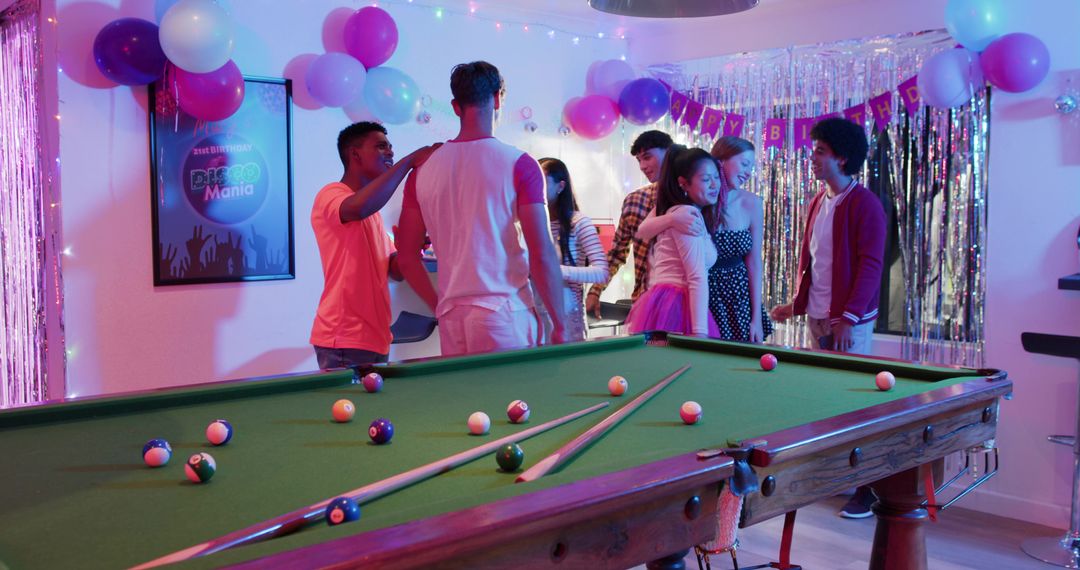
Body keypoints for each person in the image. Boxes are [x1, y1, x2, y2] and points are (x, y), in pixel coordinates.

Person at [396, 61, 567, 356]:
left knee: (467, 403)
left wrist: (439, 304)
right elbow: (541, 253)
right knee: (516, 402)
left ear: (455, 106)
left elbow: (407, 256)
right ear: (498, 98)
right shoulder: (520, 164)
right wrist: (560, 323)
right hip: (504, 312)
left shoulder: (423, 170)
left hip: (452, 315)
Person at [769, 117, 886, 519]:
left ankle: (868, 488)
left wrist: (848, 318)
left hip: (847, 321)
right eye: (814, 150)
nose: (812, 158)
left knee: (855, 403)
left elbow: (872, 266)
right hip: (819, 316)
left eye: (820, 152)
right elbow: (814, 264)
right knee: (825, 402)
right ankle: (840, 477)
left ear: (843, 158)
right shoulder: (818, 201)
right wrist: (796, 305)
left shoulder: (865, 203)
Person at [310, 122, 439, 369]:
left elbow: (394, 271)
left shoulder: (373, 215)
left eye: (391, 147)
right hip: (344, 338)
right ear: (354, 154)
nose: (390, 152)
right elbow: (357, 208)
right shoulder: (331, 195)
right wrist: (410, 160)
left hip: (376, 340)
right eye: (381, 147)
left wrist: (413, 248)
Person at [635, 136, 773, 342]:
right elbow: (643, 230)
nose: (748, 172)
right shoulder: (697, 201)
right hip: (700, 295)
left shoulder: (750, 203)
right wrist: (671, 218)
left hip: (737, 296)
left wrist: (756, 317)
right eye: (744, 164)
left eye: (751, 166)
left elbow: (753, 262)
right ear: (721, 162)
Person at [624, 146, 722, 338]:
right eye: (705, 179)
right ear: (684, 184)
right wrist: (700, 334)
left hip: (666, 299)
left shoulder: (679, 210)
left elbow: (643, 230)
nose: (714, 185)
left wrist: (670, 219)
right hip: (676, 303)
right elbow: (696, 277)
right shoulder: (686, 214)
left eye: (716, 177)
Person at [584, 130, 675, 318]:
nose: (642, 166)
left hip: (684, 300)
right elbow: (617, 253)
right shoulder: (635, 200)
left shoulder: (691, 197)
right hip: (646, 299)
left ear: (669, 152)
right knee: (652, 346)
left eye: (647, 157)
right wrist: (595, 291)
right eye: (639, 160)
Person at [536, 158, 609, 343]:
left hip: (568, 313)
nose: (535, 187)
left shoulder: (579, 222)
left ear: (561, 186)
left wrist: (554, 271)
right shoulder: (531, 223)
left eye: (542, 182)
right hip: (535, 310)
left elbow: (601, 272)